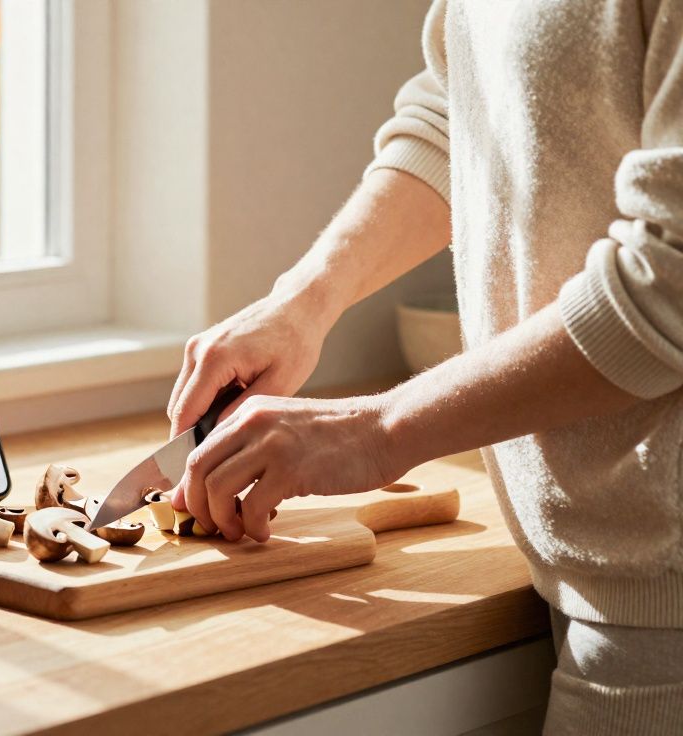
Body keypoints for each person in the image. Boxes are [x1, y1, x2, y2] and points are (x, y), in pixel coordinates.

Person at [166, 1, 683, 732]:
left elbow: (672, 277)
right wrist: (305, 301)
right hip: (594, 570)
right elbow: (461, 110)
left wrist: (377, 430)